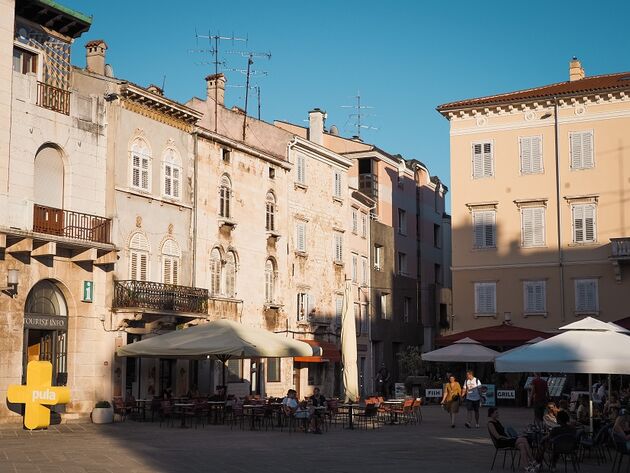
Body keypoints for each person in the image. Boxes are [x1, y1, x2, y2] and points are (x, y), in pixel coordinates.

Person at [487, 407, 538, 472]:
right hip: (502, 442)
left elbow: (503, 432)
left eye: (497, 412)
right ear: (491, 414)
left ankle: (526, 466)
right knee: (524, 439)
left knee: (522, 445)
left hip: (507, 440)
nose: (498, 414)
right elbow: (497, 437)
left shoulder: (497, 421)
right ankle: (532, 460)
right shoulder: (490, 424)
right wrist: (508, 438)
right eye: (496, 413)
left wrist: (510, 437)